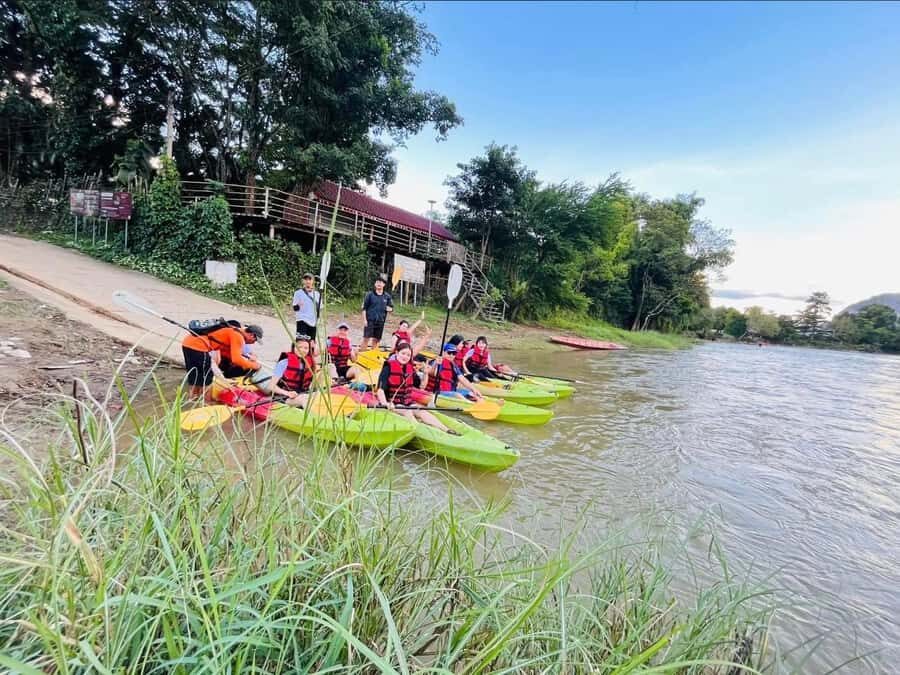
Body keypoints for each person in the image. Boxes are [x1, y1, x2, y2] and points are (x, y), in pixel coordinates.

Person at [376, 342, 457, 434]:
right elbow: (380, 389)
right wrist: (384, 403)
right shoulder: (388, 368)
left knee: (421, 411)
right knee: (407, 412)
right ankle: (420, 432)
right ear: (397, 353)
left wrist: (426, 373)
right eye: (403, 353)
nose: (405, 357)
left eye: (408, 355)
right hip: (392, 403)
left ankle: (446, 430)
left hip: (407, 402)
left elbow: (422, 386)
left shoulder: (410, 369)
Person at [181, 323, 263, 399]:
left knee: (194, 375)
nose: (253, 343)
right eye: (255, 340)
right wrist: (255, 366)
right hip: (198, 347)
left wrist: (245, 362)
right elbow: (236, 359)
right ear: (252, 335)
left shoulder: (233, 330)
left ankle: (192, 399)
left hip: (187, 343)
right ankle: (206, 402)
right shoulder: (238, 336)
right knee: (207, 379)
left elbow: (227, 352)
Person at [270, 335, 319, 407]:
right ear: (293, 348)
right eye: (299, 347)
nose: (302, 350)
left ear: (309, 350)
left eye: (306, 348)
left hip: (304, 393)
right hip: (286, 397)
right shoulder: (284, 363)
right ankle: (311, 416)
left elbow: (318, 352)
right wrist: (287, 393)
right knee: (304, 398)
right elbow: (271, 386)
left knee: (330, 366)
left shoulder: (309, 362)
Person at [361, 276, 393, 350]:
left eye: (381, 282)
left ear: (384, 285)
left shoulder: (387, 296)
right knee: (366, 338)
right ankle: (361, 354)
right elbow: (364, 308)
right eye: (377, 282)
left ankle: (373, 355)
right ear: (375, 284)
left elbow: (391, 308)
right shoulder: (369, 295)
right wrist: (365, 320)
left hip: (380, 321)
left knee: (376, 339)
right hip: (370, 320)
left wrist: (390, 309)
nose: (379, 284)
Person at [292, 272, 321, 339]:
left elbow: (319, 309)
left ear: (313, 281)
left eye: (309, 279)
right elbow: (295, 308)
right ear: (303, 281)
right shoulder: (298, 293)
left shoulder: (317, 294)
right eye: (306, 279)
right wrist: (298, 305)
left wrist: (318, 319)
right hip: (302, 320)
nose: (307, 281)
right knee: (301, 342)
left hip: (313, 321)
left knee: (311, 344)